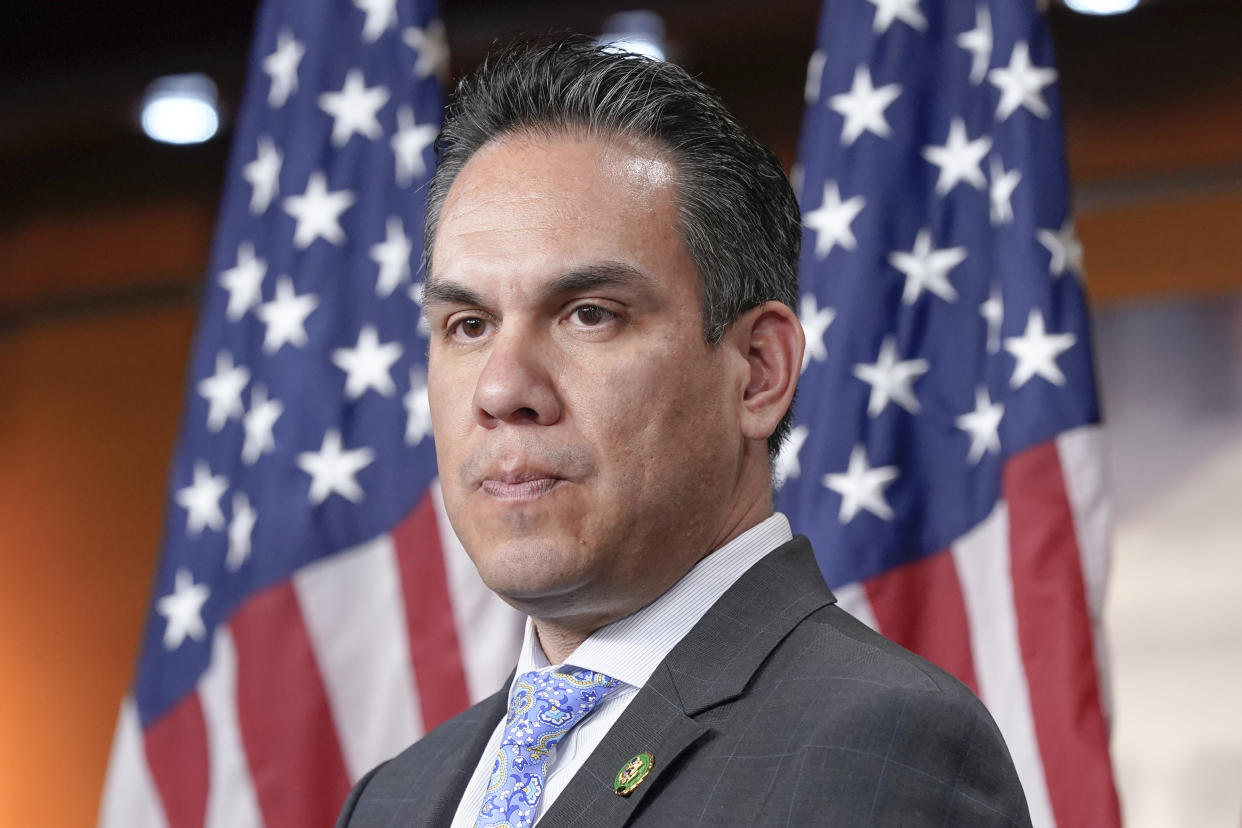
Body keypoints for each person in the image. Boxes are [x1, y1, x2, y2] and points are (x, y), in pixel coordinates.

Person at [336, 35, 1031, 828]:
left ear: (759, 372)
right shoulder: (391, 800)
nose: (501, 389)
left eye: (588, 314)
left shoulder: (880, 744)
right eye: (467, 324)